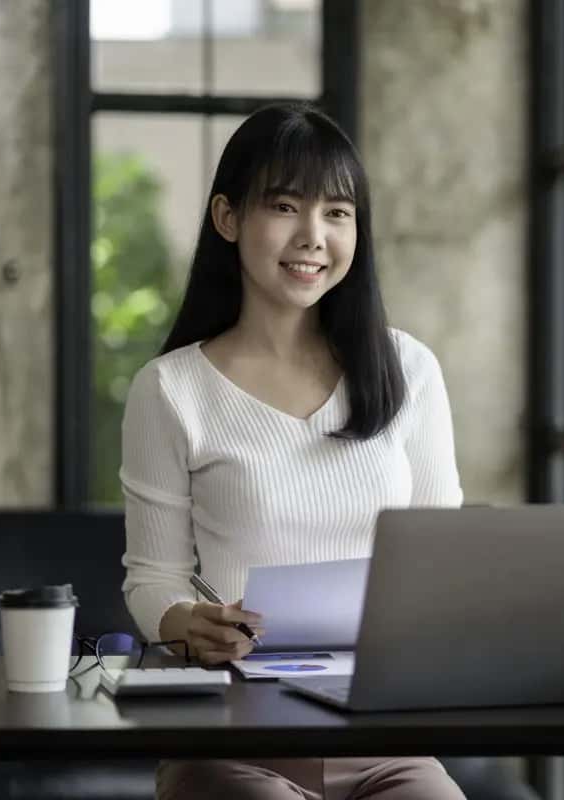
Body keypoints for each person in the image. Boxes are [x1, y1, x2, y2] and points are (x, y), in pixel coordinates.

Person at [119, 103, 467, 800]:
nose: (313, 236)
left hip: (385, 741)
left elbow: (442, 560)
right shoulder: (170, 389)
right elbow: (151, 579)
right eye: (285, 206)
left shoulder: (410, 370)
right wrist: (190, 623)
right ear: (227, 218)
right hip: (233, 741)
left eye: (338, 213)